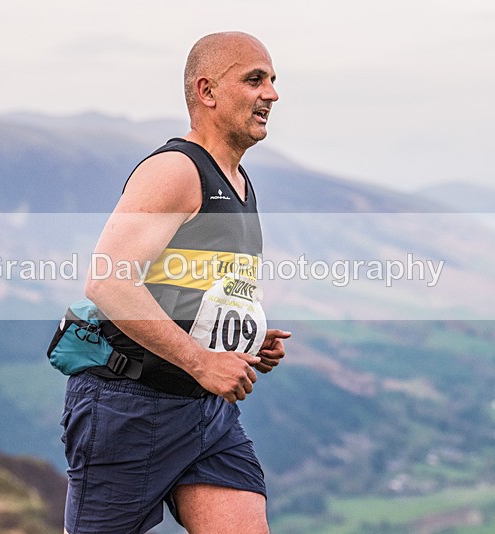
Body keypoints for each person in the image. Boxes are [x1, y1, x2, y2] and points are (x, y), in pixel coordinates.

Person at [61, 31, 291, 534]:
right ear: (207, 92)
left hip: (206, 413)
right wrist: (201, 359)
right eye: (255, 80)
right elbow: (107, 281)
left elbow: (194, 288)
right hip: (129, 408)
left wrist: (245, 339)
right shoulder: (176, 170)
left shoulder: (238, 178)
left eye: (273, 81)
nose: (272, 94)